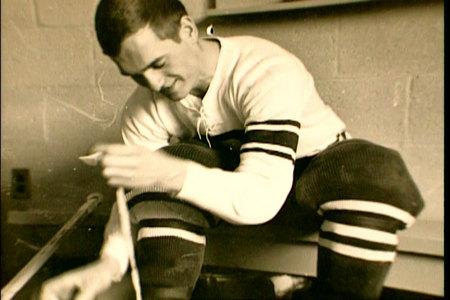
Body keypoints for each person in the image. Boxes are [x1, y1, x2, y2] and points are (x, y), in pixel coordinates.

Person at [39, 0, 424, 299]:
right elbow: (133, 196)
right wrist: (109, 262)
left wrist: (166, 173)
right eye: (136, 74)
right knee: (176, 162)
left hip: (308, 191)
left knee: (374, 170)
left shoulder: (265, 69)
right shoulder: (144, 107)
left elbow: (262, 199)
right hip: (233, 198)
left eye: (158, 63)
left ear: (187, 30)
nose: (153, 83)